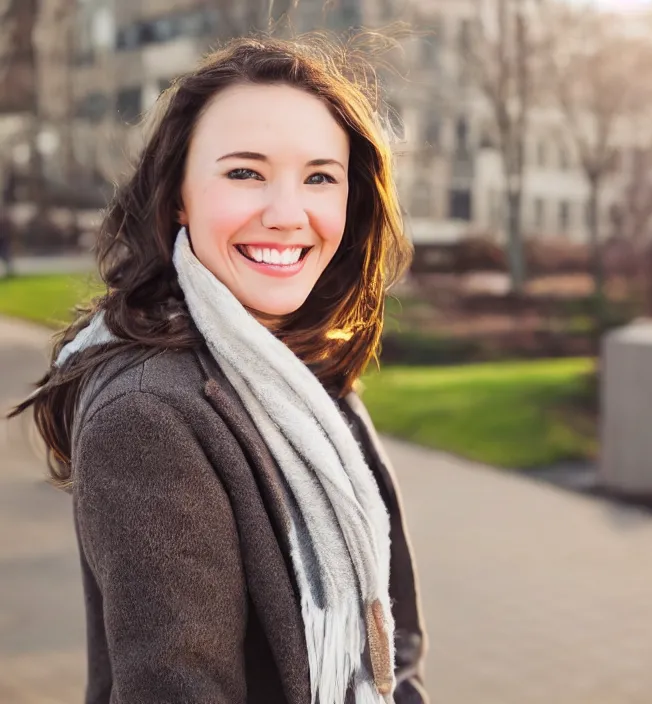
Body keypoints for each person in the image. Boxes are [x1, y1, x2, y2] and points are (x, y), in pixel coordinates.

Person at [11, 35, 428, 704]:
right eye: (244, 173)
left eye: (320, 176)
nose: (287, 214)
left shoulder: (308, 378)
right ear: (179, 197)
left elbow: (392, 652)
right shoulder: (149, 417)